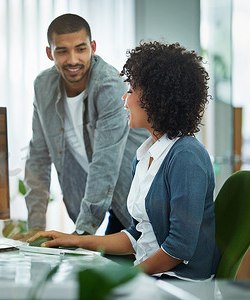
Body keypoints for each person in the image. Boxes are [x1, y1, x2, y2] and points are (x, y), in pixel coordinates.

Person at [28, 41, 221, 281]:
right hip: (155, 278)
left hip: (181, 283)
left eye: (131, 90)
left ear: (155, 98)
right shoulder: (144, 156)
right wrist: (75, 240)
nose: (124, 98)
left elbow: (179, 249)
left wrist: (127, 277)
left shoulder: (187, 157)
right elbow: (137, 235)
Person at [11, 14, 148, 240]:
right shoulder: (43, 86)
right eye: (62, 51)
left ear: (92, 48)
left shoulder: (109, 85)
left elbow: (105, 162)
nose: (72, 59)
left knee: (127, 271)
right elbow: (38, 157)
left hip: (137, 203)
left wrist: (81, 234)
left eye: (80, 49)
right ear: (49, 53)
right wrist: (35, 228)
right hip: (108, 202)